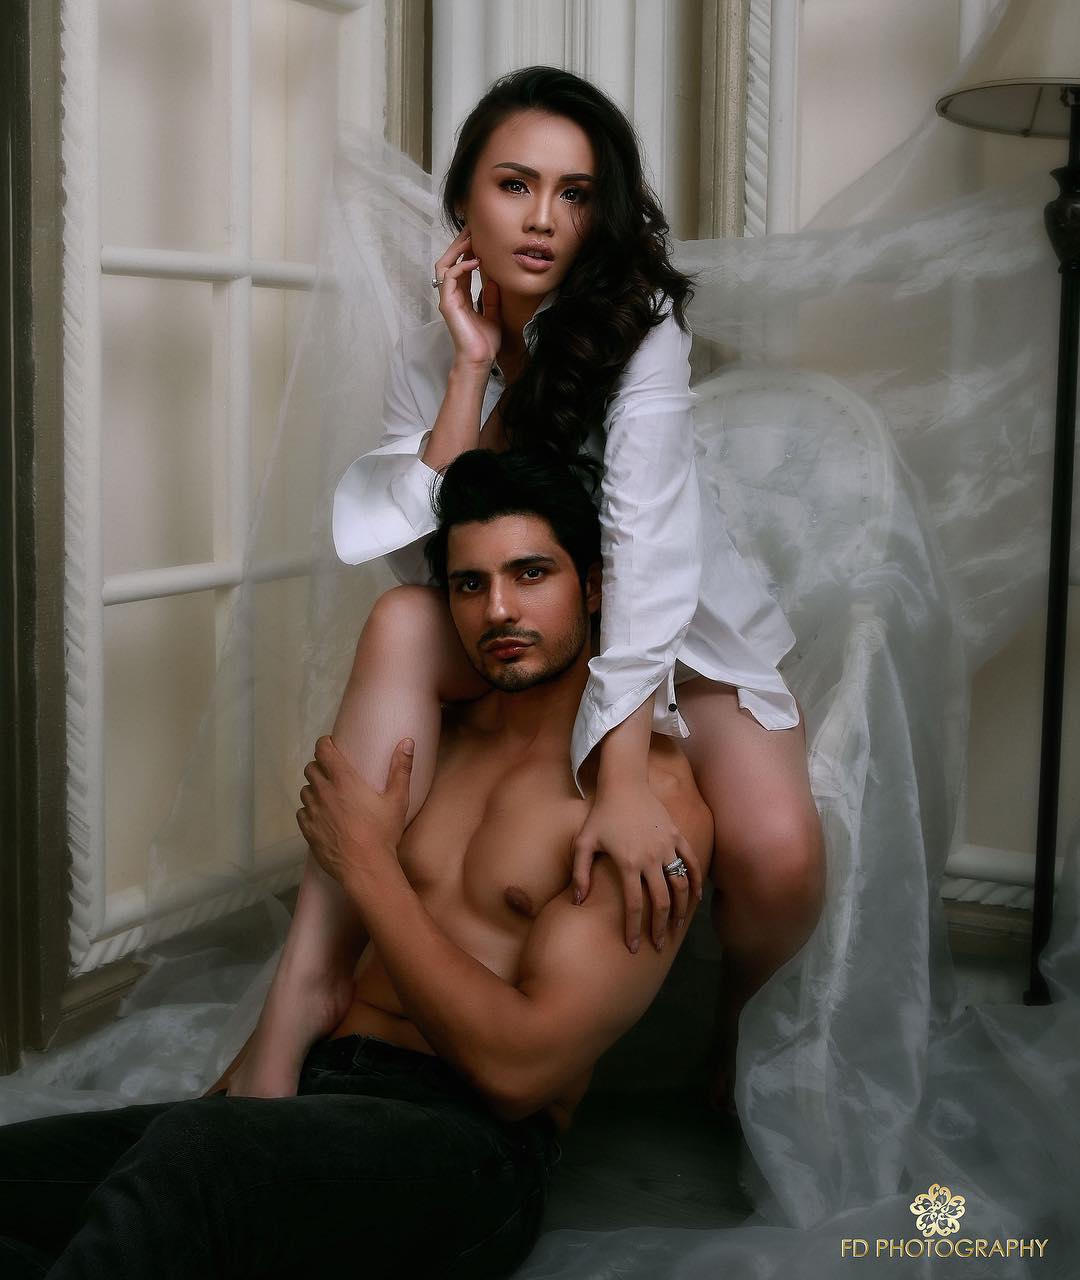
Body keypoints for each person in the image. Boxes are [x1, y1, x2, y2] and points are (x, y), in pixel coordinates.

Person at [231, 65, 825, 1109]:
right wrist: (470, 368)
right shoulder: (434, 349)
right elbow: (430, 548)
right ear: (465, 198)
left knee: (779, 860)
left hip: (674, 630)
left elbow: (646, 549)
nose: (544, 218)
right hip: (536, 616)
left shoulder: (640, 325)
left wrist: (624, 778)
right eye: (515, 185)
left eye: (576, 193)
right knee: (404, 620)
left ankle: (738, 1034)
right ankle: (306, 987)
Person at [0, 449, 712, 1280]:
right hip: (320, 1081)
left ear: (591, 588)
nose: (499, 610)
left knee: (193, 1162)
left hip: (466, 1145)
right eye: (470, 584)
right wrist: (252, 1081)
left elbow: (521, 1071)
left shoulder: (642, 812)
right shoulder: (431, 734)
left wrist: (371, 863)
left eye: (530, 574)